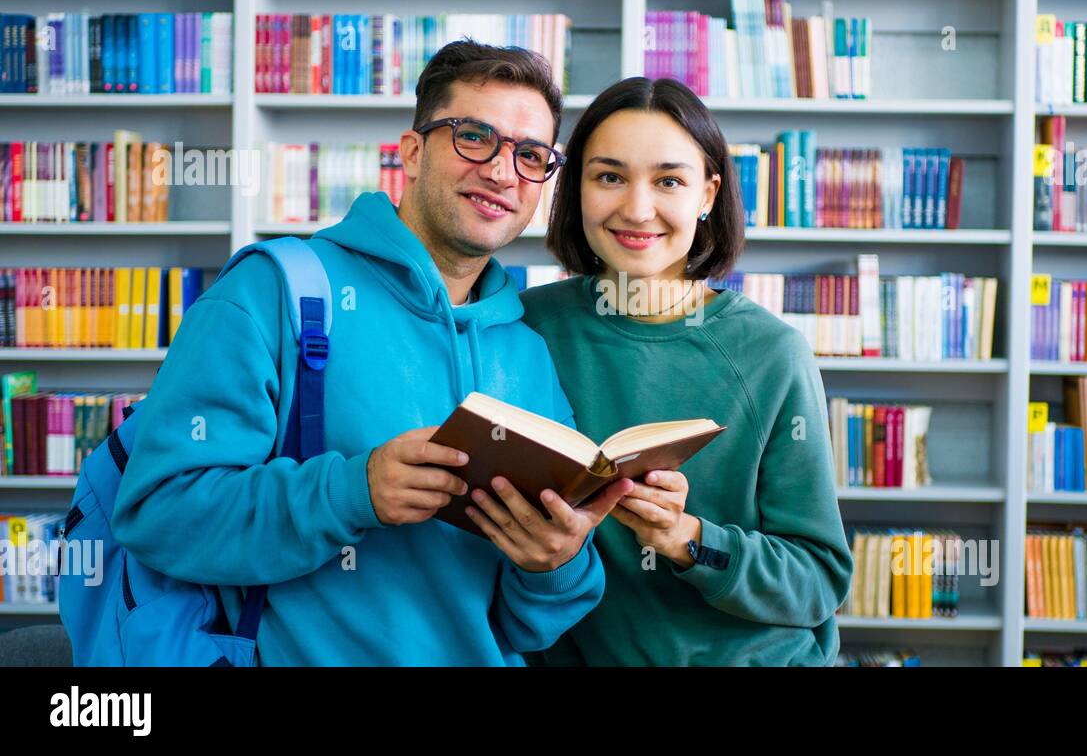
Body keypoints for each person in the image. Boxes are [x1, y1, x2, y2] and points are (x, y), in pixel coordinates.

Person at [113, 40, 629, 666]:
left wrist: (557, 563)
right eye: (474, 137)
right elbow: (157, 514)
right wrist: (351, 492)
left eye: (529, 156)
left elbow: (528, 627)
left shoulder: (527, 351)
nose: (501, 172)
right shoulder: (274, 289)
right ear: (412, 152)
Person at [521, 77, 853, 666]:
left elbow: (818, 581)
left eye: (669, 180)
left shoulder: (773, 353)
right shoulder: (526, 326)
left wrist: (688, 541)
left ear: (707, 195)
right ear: (575, 190)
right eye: (609, 176)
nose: (637, 208)